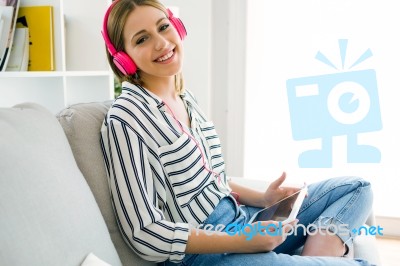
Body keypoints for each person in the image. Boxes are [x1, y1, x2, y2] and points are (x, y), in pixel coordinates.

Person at [100, 0, 374, 265]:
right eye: (141, 39)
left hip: (243, 220)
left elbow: (210, 180)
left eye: (162, 27)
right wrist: (242, 242)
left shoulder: (186, 99)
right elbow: (144, 232)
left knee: (356, 189)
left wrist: (263, 199)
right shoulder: (126, 117)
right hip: (203, 254)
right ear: (123, 59)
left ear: (178, 27)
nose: (161, 42)